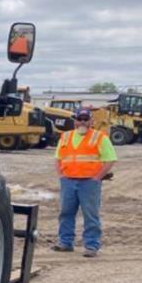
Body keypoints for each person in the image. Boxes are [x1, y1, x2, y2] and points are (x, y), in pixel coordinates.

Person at [52, 108, 116, 257]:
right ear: (75, 121)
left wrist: (97, 178)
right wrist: (61, 175)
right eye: (79, 119)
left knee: (90, 214)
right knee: (66, 213)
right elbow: (58, 158)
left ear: (91, 121)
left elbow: (110, 159)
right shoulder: (66, 136)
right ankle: (65, 243)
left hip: (89, 183)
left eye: (85, 119)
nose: (82, 122)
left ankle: (91, 246)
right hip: (68, 181)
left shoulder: (99, 137)